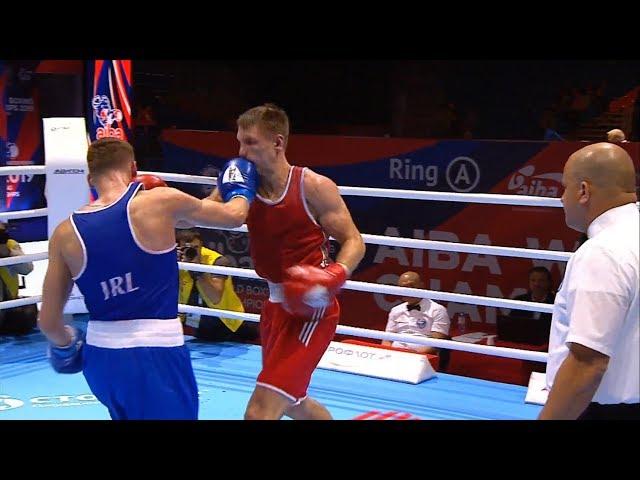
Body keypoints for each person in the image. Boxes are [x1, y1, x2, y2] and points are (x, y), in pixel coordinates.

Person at [37, 137, 257, 420]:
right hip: (155, 353)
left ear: (90, 179)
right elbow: (234, 216)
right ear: (134, 168)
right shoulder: (159, 202)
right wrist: (239, 185)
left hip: (101, 359)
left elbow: (49, 322)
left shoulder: (65, 233)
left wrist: (69, 344)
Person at [230, 103, 365, 420]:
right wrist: (161, 203)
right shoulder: (242, 183)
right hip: (275, 306)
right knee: (293, 401)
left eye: (251, 142)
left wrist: (335, 274)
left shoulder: (313, 187)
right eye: (239, 142)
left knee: (260, 412)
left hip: (311, 309)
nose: (242, 151)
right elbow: (207, 215)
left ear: (277, 143)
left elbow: (354, 240)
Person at [539, 142, 639, 420]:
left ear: (583, 191)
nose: (561, 198)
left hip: (601, 411)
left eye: (565, 187)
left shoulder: (603, 252)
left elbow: (588, 362)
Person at [177, 229, 257, 342]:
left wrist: (197, 270)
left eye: (196, 248)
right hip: (200, 325)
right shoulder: (175, 260)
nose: (192, 252)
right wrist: (168, 262)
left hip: (228, 323)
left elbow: (215, 297)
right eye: (186, 248)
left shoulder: (218, 261)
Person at [382, 271, 450, 354]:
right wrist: (388, 354)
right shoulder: (395, 310)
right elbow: (387, 340)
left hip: (421, 357)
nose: (408, 291)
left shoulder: (437, 310)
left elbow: (437, 343)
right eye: (404, 288)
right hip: (395, 354)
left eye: (411, 286)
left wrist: (413, 356)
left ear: (422, 286)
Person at [0, 221, 37, 335]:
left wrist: (8, 252)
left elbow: (27, 269)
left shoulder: (10, 245)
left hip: (8, 303)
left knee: (28, 311)